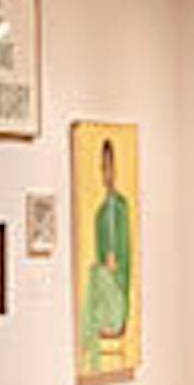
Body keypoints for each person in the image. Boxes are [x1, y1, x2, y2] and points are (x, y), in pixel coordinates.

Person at [83, 139, 134, 354]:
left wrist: (115, 262)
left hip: (119, 279)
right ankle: (102, 320)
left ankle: (115, 321)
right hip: (107, 276)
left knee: (100, 275)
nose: (107, 173)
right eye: (104, 168)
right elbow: (100, 250)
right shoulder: (101, 212)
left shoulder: (120, 206)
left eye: (110, 167)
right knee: (95, 272)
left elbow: (125, 250)